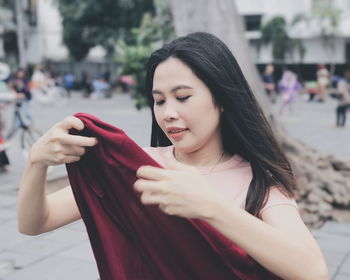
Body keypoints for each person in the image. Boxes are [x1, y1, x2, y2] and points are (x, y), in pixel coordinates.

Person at [17, 32, 328, 279]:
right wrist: (36, 163)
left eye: (182, 97)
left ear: (222, 98)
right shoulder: (141, 168)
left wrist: (209, 206)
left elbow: (313, 271)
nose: (168, 113)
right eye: (159, 100)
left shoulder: (260, 182)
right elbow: (35, 223)